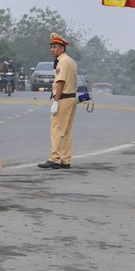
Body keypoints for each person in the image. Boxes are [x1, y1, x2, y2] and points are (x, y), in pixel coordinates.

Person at [38, 32, 78, 170]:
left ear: (62, 48)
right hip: (71, 98)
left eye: (55, 47)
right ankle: (65, 159)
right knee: (67, 131)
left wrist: (56, 101)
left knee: (57, 130)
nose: (52, 50)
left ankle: (54, 158)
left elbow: (60, 82)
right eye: (51, 47)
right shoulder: (71, 61)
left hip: (63, 99)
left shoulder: (63, 62)